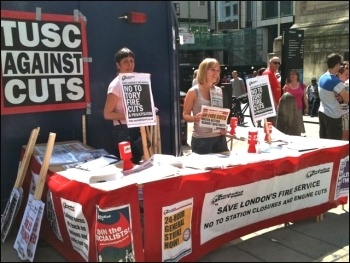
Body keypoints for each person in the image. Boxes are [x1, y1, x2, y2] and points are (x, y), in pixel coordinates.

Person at [103, 47, 143, 164]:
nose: (130, 65)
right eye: (125, 61)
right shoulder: (116, 85)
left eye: (132, 61)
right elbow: (107, 114)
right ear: (118, 65)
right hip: (123, 131)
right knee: (126, 165)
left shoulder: (137, 80)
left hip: (137, 128)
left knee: (137, 163)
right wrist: (129, 115)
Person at [182, 58, 229, 154]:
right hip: (201, 141)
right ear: (204, 70)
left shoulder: (218, 90)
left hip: (220, 138)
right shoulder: (193, 91)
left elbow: (219, 114)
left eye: (218, 70)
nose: (216, 73)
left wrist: (223, 127)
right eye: (212, 69)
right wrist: (195, 118)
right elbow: (185, 115)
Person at [318, 53, 349, 140]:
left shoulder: (322, 77)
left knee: (324, 142)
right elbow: (347, 98)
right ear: (337, 65)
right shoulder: (335, 81)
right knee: (334, 143)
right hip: (333, 116)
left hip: (322, 112)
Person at [282, 69, 309, 136]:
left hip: (298, 109)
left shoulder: (302, 86)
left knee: (297, 127)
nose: (292, 76)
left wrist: (307, 107)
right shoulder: (286, 86)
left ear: (297, 76)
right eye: (291, 74)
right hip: (289, 110)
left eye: (294, 74)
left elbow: (305, 97)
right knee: (289, 127)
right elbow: (283, 98)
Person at [262, 56, 282, 126]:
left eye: (278, 63)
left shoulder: (272, 73)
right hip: (271, 105)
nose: (277, 65)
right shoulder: (267, 73)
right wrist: (274, 102)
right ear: (269, 63)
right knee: (271, 125)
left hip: (274, 104)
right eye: (275, 63)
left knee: (272, 125)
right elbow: (268, 89)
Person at [336, 61, 349, 141]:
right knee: (343, 137)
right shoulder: (337, 84)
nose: (348, 76)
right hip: (340, 113)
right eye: (346, 74)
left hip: (346, 112)